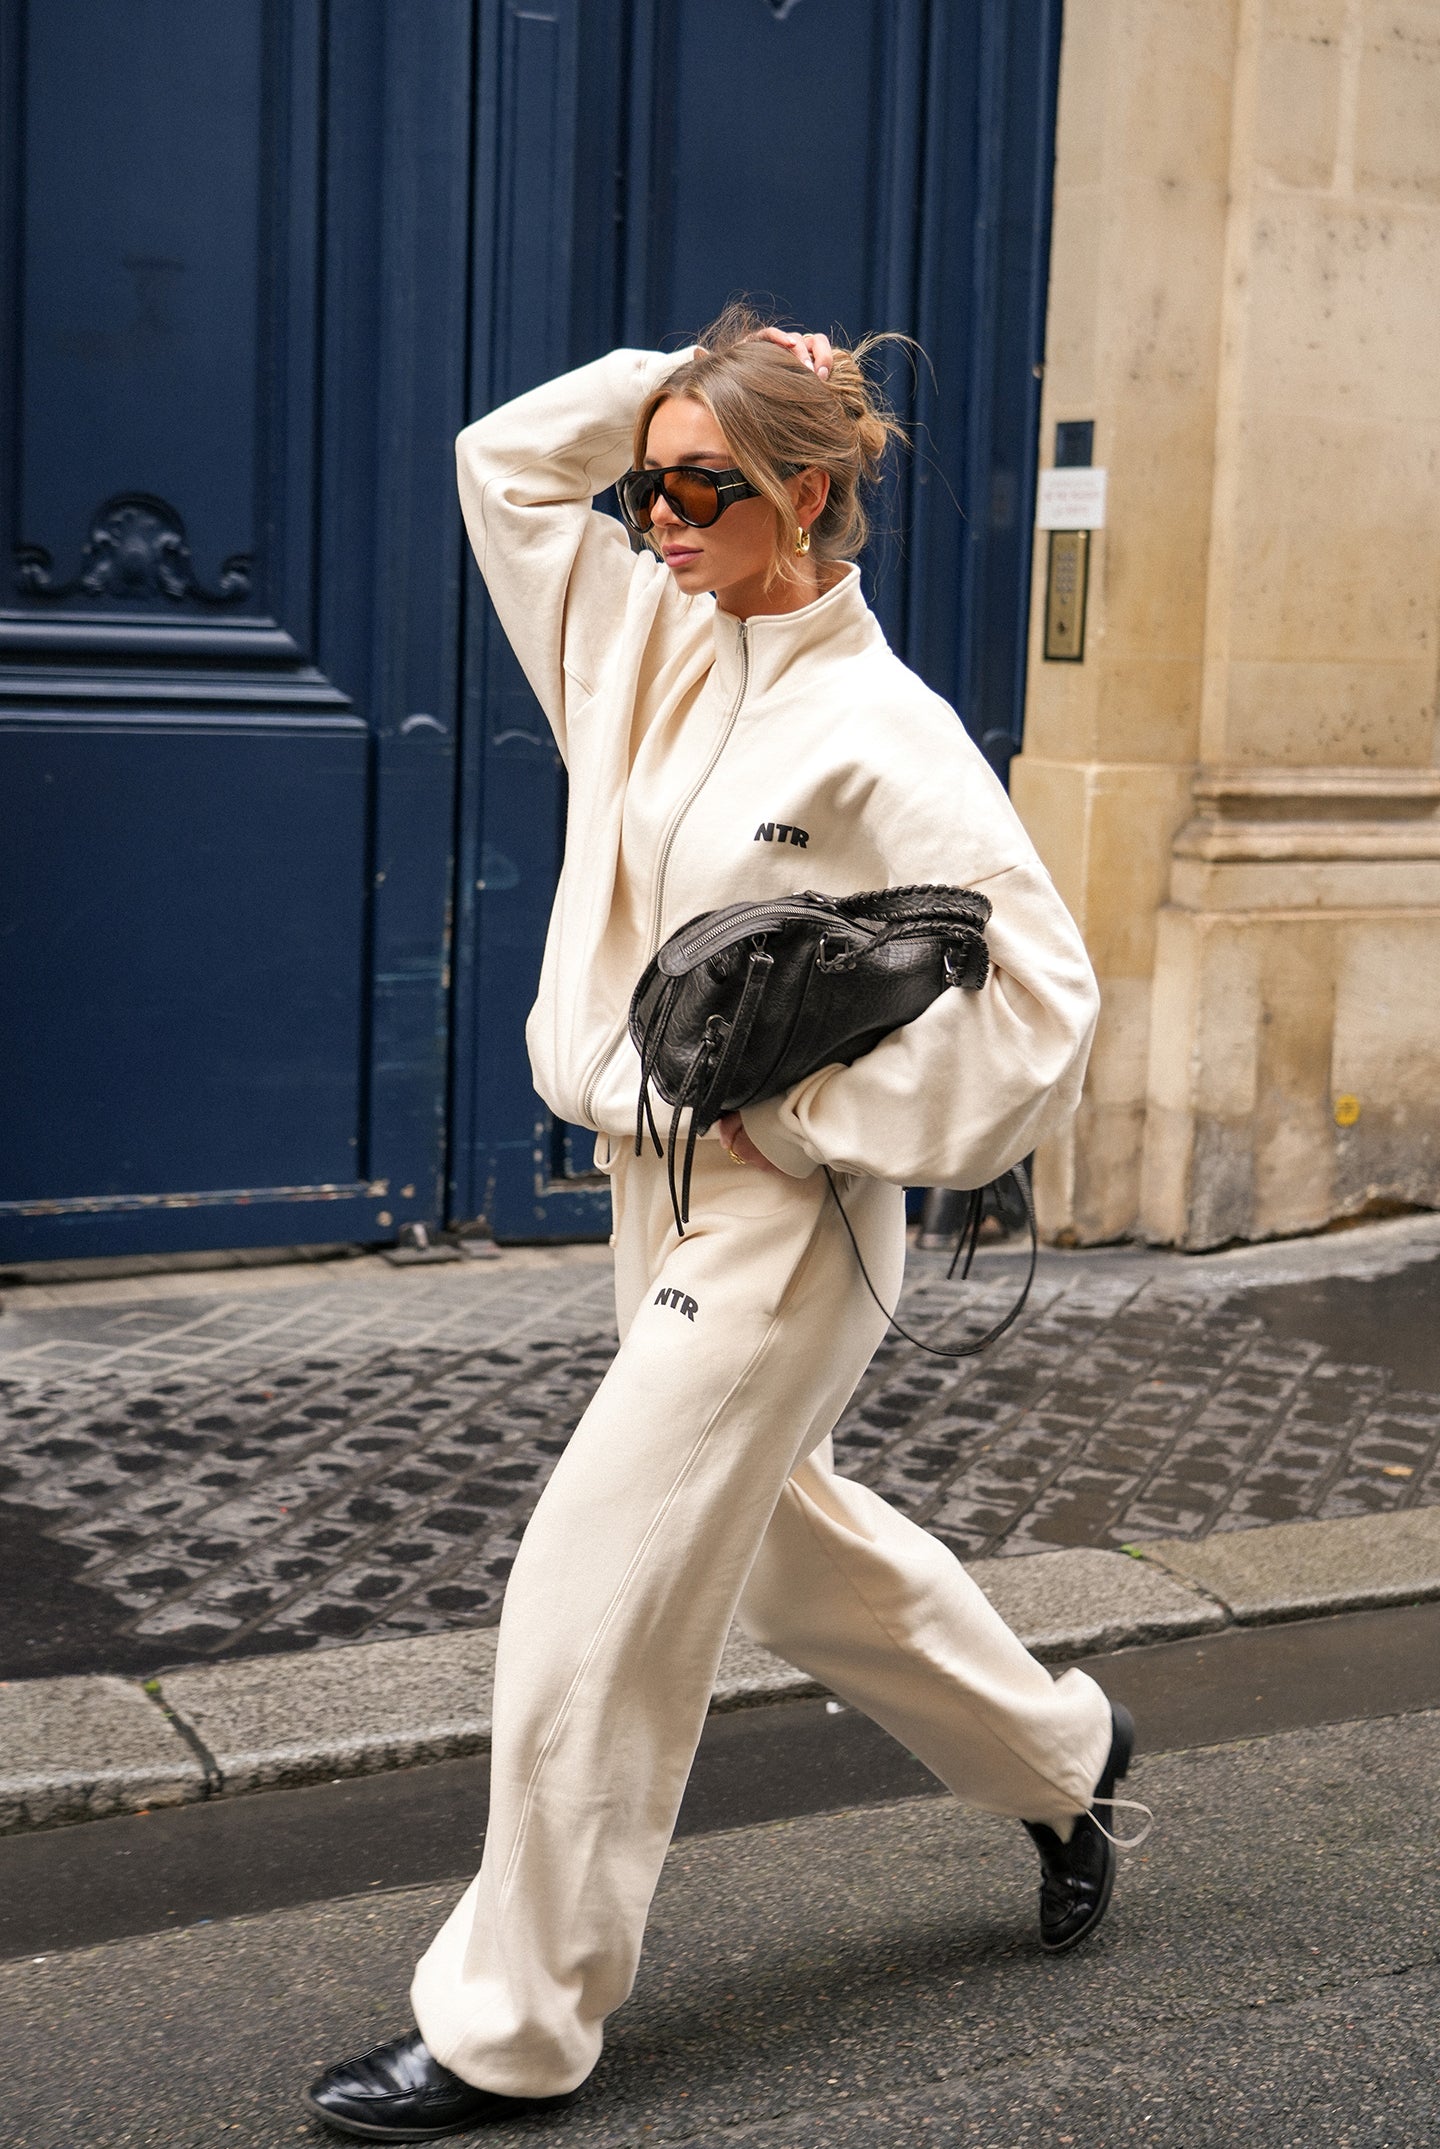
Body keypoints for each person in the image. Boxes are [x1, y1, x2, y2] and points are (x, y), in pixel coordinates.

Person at [306, 307, 1140, 2141]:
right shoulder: (638, 639)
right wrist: (689, 377)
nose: (661, 518)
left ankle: (513, 2022)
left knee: (588, 1577)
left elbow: (1045, 1011)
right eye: (653, 487)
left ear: (811, 498)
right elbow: (499, 465)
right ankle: (1067, 1755)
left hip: (790, 1214)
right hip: (656, 1181)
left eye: (706, 488)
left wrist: (809, 1115)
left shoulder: (887, 732)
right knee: (791, 1558)